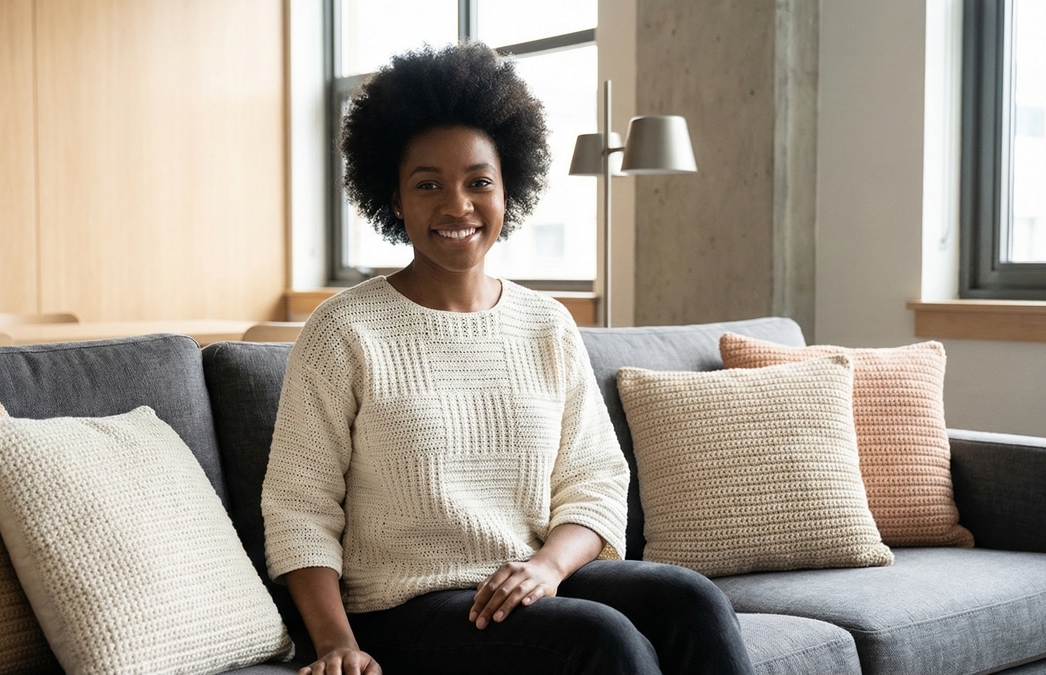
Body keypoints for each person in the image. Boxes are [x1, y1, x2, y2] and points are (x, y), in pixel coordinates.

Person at [261, 42, 753, 675]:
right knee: (603, 640)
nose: (457, 205)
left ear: (506, 189)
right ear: (395, 199)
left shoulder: (546, 323)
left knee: (692, 598)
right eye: (428, 185)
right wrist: (335, 643)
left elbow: (596, 478)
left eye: (478, 182)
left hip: (527, 585)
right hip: (405, 607)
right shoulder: (344, 330)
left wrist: (547, 567)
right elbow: (299, 505)